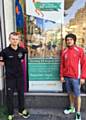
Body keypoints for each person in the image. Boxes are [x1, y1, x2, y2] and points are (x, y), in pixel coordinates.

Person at [0, 32, 30, 120]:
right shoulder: (4, 52)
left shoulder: (22, 50)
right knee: (10, 96)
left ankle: (22, 110)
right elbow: (1, 63)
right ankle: (10, 113)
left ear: (19, 40)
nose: (15, 41)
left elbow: (25, 55)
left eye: (17, 39)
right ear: (9, 39)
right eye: (13, 39)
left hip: (20, 77)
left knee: (21, 94)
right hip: (10, 78)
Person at [60, 33, 86, 120]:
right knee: (70, 93)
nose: (69, 41)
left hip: (76, 77)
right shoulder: (64, 51)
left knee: (77, 95)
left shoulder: (79, 50)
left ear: (74, 40)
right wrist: (62, 76)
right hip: (67, 77)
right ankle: (72, 108)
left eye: (70, 40)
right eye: (67, 40)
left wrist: (83, 77)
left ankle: (78, 112)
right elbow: (62, 65)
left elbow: (84, 64)